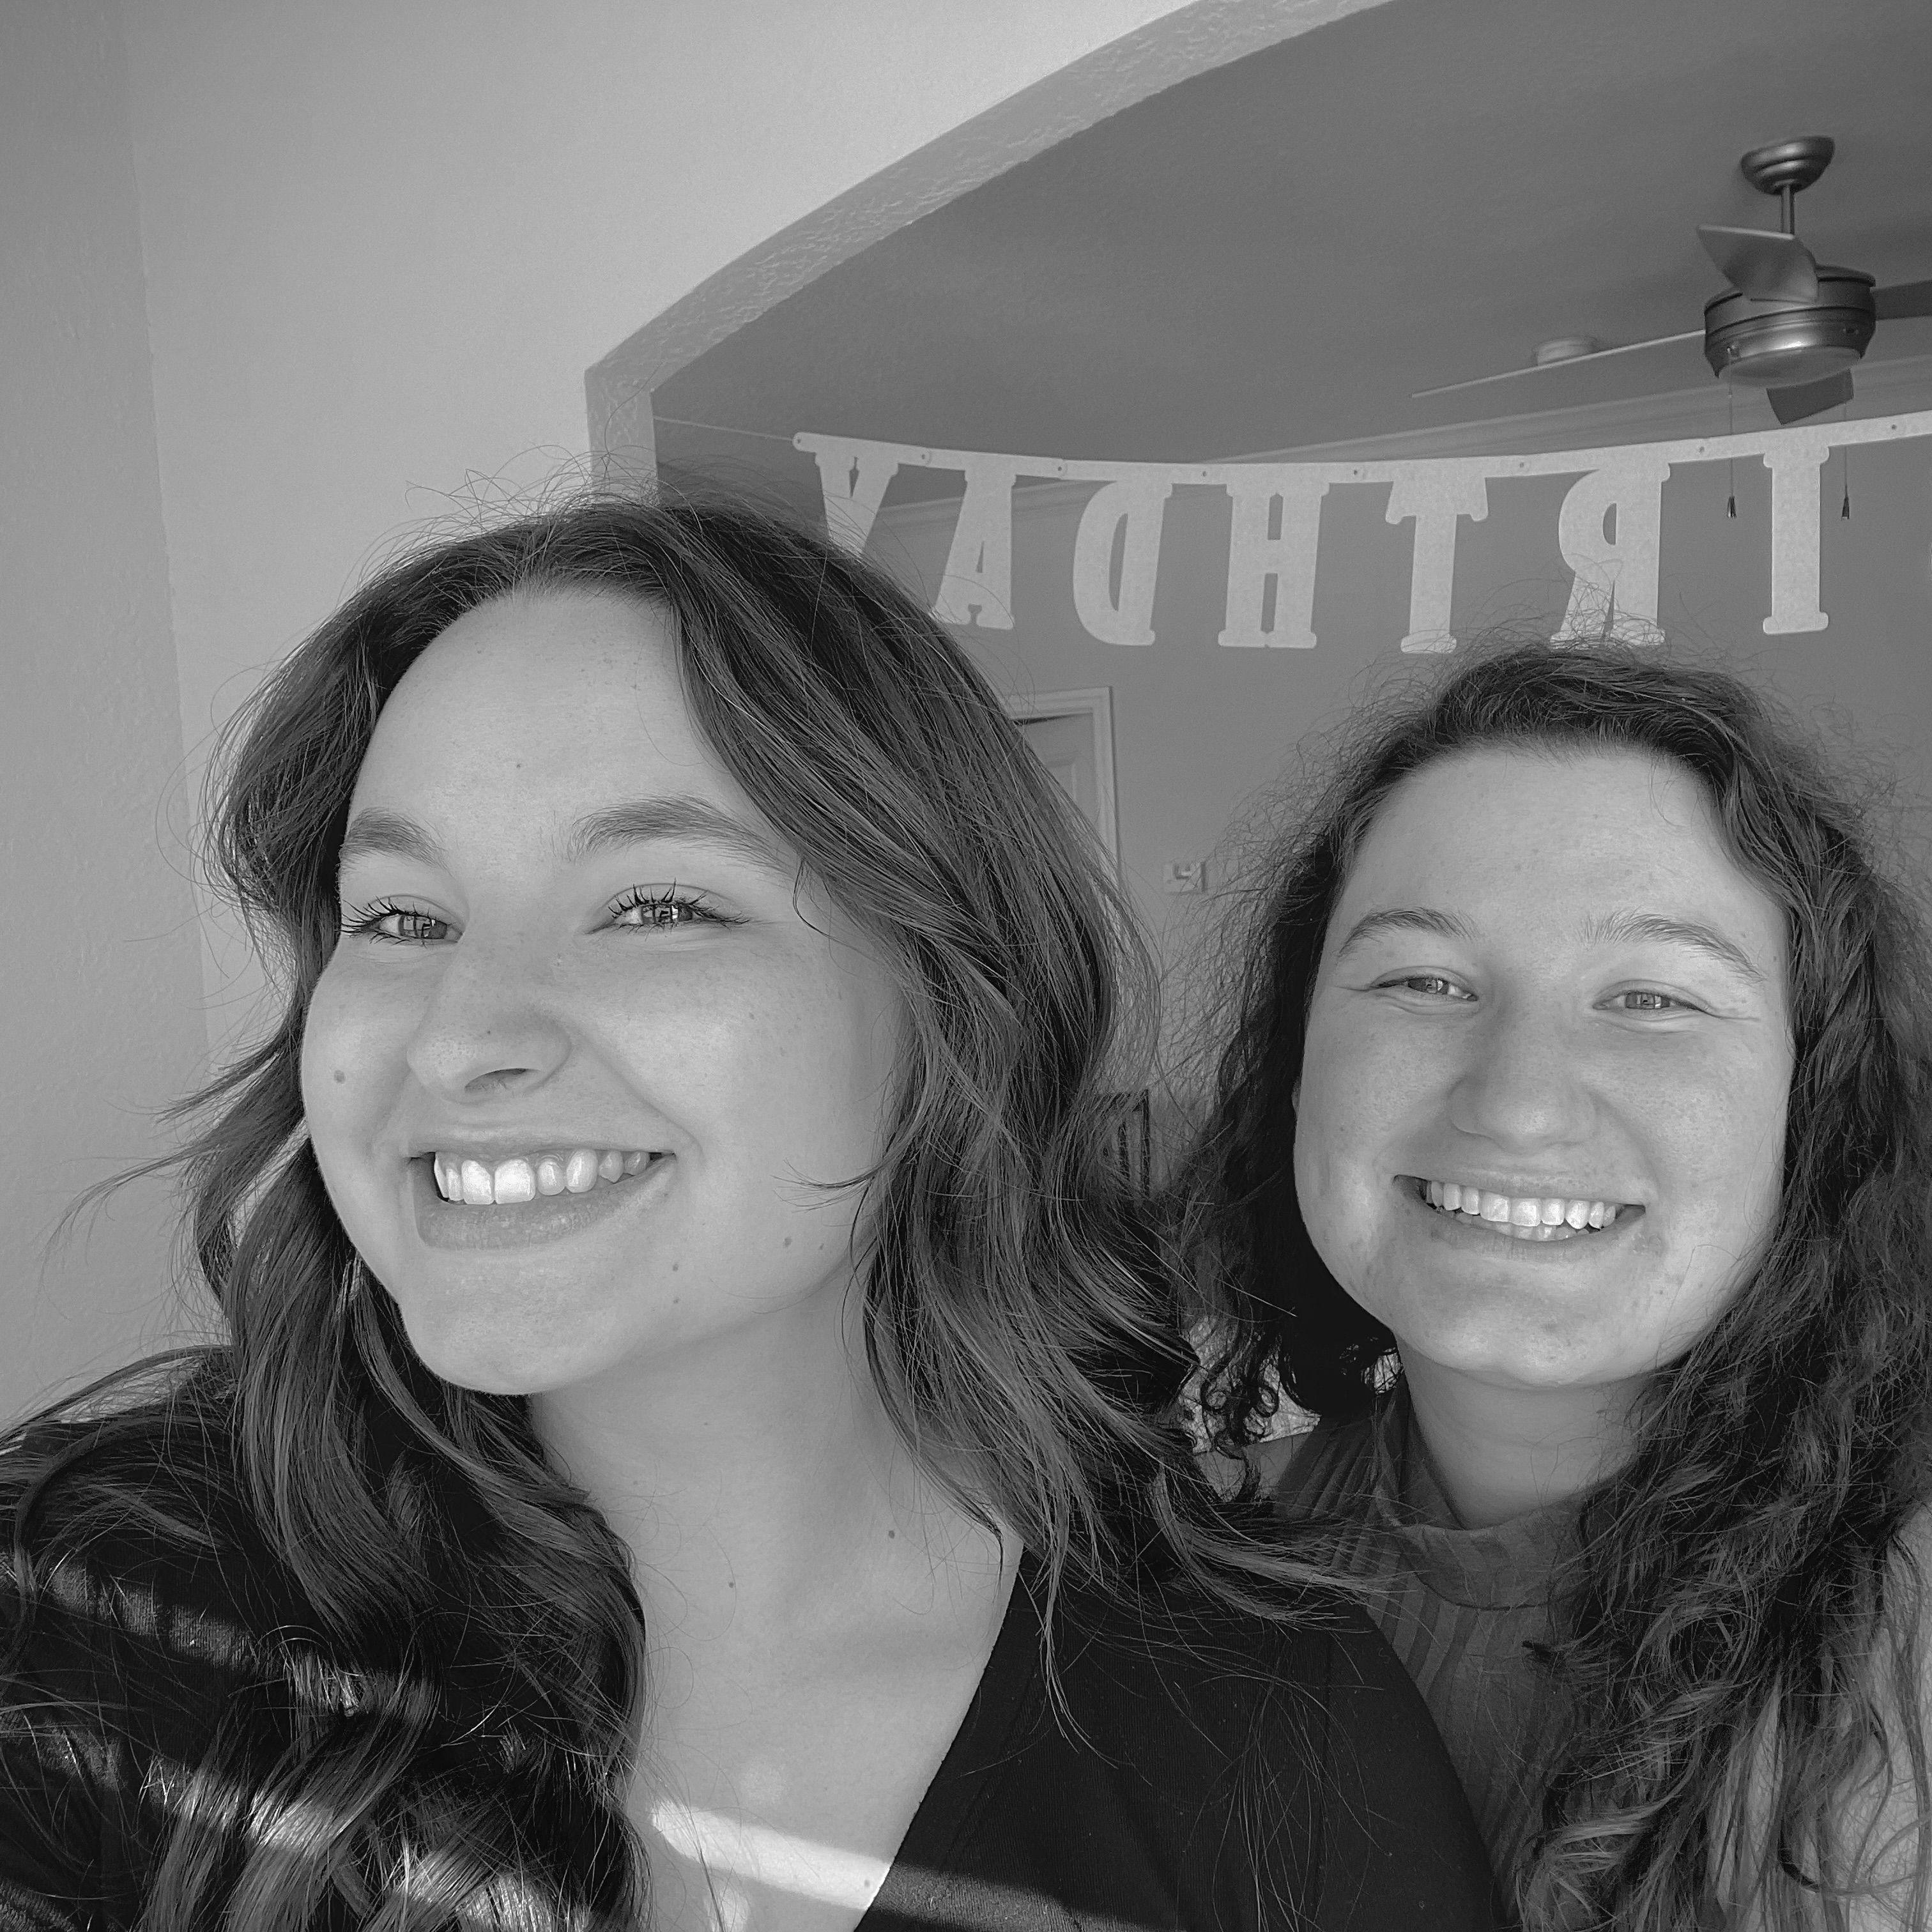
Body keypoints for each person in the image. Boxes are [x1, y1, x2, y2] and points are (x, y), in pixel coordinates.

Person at [0, 494, 1494, 1931]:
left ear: (952, 1006)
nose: (456, 1040)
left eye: (656, 906)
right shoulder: (87, 1613)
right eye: (402, 917)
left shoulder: (1268, 1736)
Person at [1172, 640, 1932, 1931]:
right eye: (1423, 981)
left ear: (1813, 1110)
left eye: (1653, 998)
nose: (1518, 1104)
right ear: (1298, 1070)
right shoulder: (1192, 1564)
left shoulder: (1899, 1627)